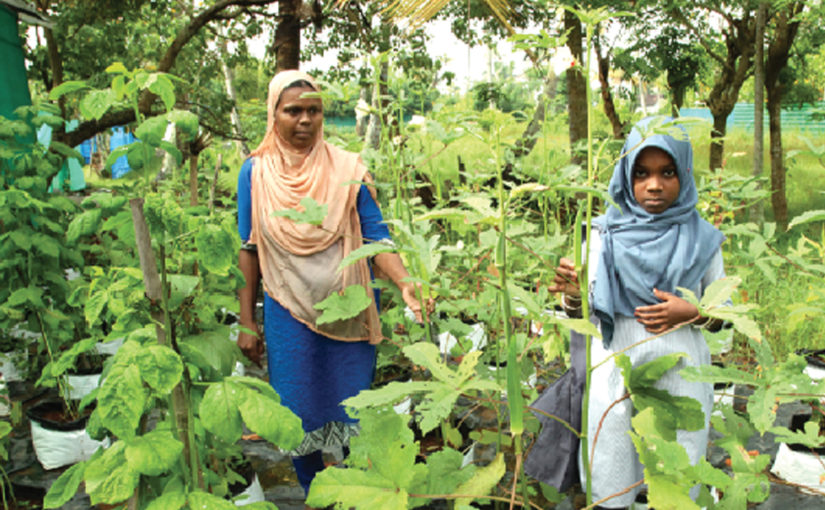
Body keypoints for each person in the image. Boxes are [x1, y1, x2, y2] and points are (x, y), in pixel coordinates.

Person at [236, 70, 426, 504]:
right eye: (293, 111)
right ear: (274, 115)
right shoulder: (256, 172)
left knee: (349, 402)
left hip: (350, 307)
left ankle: (349, 485)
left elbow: (376, 235)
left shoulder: (347, 168)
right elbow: (249, 249)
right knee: (298, 405)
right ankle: (313, 491)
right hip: (288, 311)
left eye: (314, 110)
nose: (305, 120)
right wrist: (247, 321)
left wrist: (405, 282)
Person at [549, 117, 726, 509]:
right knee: (610, 449)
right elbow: (580, 310)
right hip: (614, 362)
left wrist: (692, 312)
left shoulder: (703, 239)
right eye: (642, 173)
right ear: (626, 175)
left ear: (685, 174)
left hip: (681, 365)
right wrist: (573, 294)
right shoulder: (601, 235)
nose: (654, 185)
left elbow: (723, 312)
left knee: (682, 450)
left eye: (668, 172)